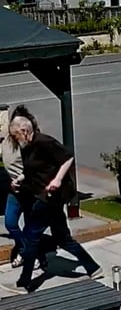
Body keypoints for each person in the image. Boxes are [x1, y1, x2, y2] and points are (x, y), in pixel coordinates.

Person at [2, 117, 102, 294]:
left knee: (31, 237)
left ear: (24, 132)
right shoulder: (27, 148)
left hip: (48, 198)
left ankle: (24, 283)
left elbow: (67, 158)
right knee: (62, 238)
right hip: (44, 196)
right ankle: (93, 268)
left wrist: (57, 179)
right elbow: (33, 170)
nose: (15, 139)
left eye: (15, 136)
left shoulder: (44, 142)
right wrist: (19, 179)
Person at [0, 105, 45, 269]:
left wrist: (20, 178)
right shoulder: (6, 141)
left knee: (29, 227)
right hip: (15, 192)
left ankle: (33, 256)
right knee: (10, 223)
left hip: (30, 190)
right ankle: (26, 250)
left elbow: (36, 168)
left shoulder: (30, 144)